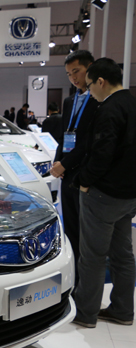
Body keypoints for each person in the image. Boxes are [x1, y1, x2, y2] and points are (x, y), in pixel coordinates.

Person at [71, 58, 136, 328]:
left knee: (93, 256)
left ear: (100, 81)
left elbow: (101, 154)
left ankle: (86, 313)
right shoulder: (132, 103)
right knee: (123, 254)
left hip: (103, 195)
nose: (89, 92)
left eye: (89, 86)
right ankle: (123, 310)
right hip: (129, 195)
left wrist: (84, 182)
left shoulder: (108, 109)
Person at [49, 50, 98, 284]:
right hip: (67, 173)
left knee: (86, 229)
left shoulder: (99, 100)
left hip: (85, 172)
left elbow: (89, 141)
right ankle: (74, 277)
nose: (73, 78)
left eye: (76, 71)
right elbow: (64, 136)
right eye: (69, 74)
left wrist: (65, 164)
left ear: (90, 68)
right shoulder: (69, 101)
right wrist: (58, 162)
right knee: (70, 227)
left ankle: (87, 280)